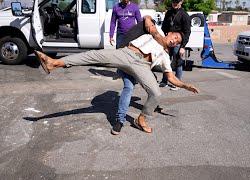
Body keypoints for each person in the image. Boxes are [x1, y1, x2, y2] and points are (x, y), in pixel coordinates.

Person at [34, 16, 199, 134]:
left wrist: (185, 85)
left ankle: (141, 119)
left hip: (142, 66)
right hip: (126, 54)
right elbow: (147, 19)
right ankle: (54, 63)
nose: (174, 41)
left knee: (156, 93)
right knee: (93, 55)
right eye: (175, 37)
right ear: (169, 33)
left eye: (177, 42)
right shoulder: (155, 34)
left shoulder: (165, 56)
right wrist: (148, 18)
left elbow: (170, 77)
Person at [109, 0, 142, 135]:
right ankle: (120, 120)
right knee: (128, 82)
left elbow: (141, 23)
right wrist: (111, 35)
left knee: (130, 82)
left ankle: (129, 73)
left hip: (133, 38)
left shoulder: (135, 7)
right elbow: (113, 22)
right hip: (121, 37)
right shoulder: (116, 8)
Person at [159, 0, 191, 91]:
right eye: (173, 1)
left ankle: (177, 83)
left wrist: (183, 46)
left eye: (177, 2)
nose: (175, 3)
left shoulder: (184, 15)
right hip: (168, 41)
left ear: (181, 2)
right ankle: (164, 81)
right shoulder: (169, 13)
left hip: (178, 42)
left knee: (178, 62)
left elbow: (187, 32)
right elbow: (163, 26)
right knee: (165, 60)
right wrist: (165, 34)